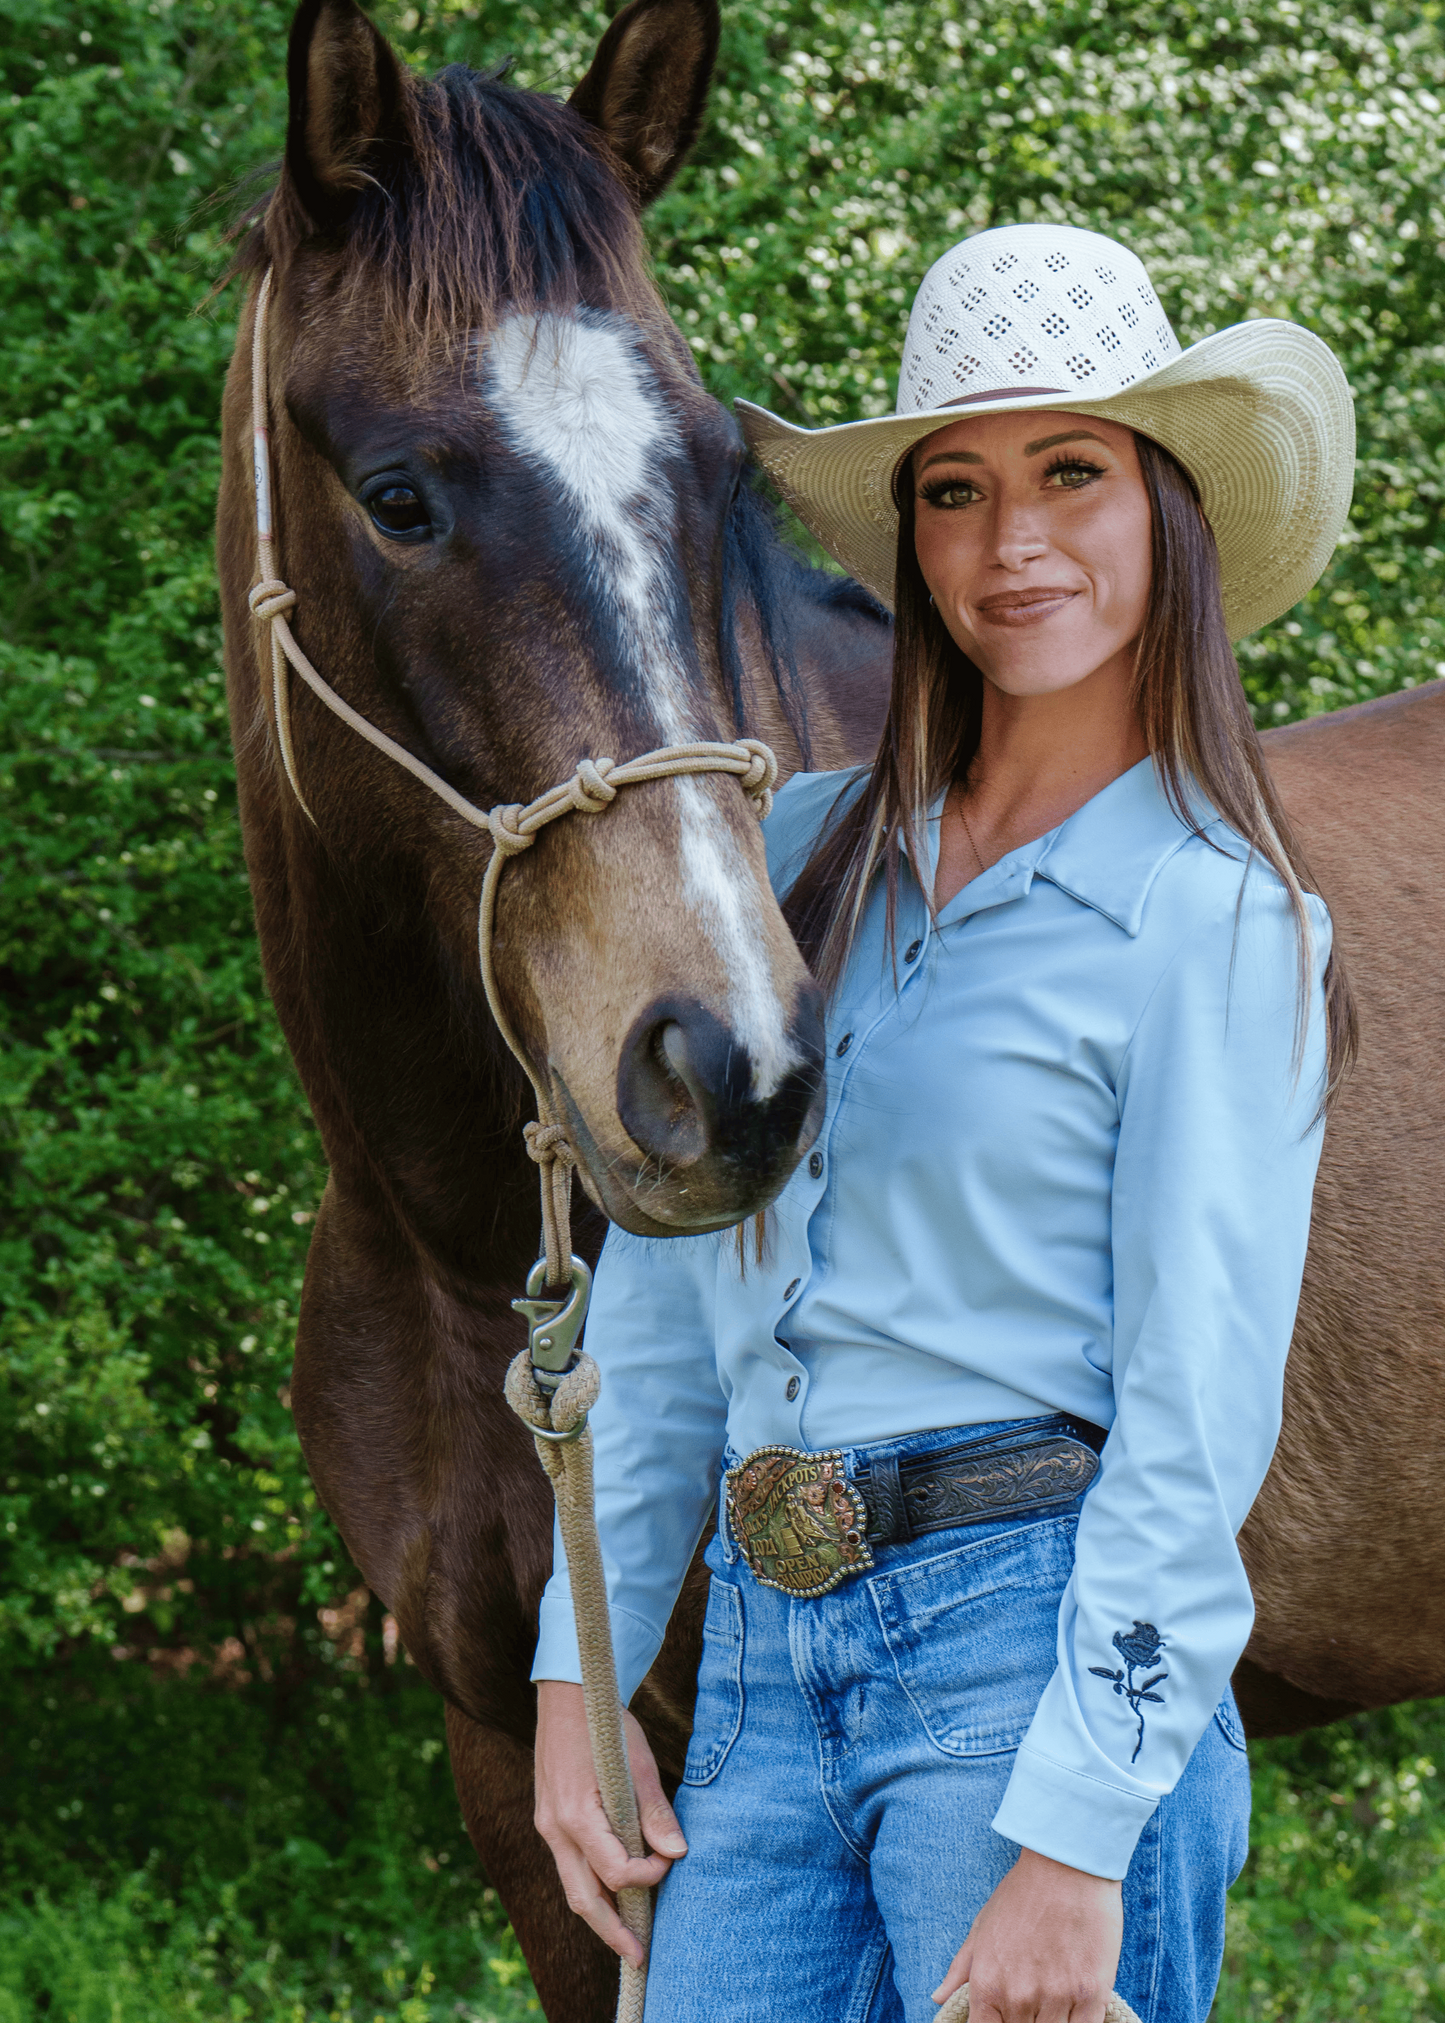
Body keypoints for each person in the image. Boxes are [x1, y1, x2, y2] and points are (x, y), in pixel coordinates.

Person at [529, 222, 1357, 2023]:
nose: (1015, 541)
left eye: (1076, 473)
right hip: (758, 1673)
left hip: (1031, 1658)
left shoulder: (1217, 920)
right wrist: (577, 1685)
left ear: (1171, 514)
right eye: (957, 491)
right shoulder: (802, 853)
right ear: (909, 536)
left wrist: (1077, 1835)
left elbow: (1198, 1417)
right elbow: (667, 1313)